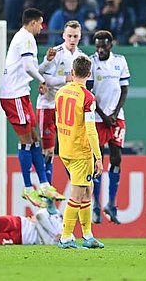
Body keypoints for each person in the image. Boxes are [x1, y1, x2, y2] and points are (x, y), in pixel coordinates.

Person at [0, 8, 63, 208]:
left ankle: (43, 184)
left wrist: (46, 63)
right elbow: (28, 68)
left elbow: (31, 67)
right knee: (27, 141)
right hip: (14, 95)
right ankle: (28, 188)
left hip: (20, 94)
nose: (42, 27)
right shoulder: (26, 38)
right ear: (33, 22)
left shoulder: (24, 38)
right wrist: (43, 81)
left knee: (35, 138)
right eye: (41, 23)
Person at [36, 20, 86, 212]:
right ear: (63, 36)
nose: (72, 39)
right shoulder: (55, 53)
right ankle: (48, 199)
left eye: (75, 36)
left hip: (69, 109)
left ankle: (75, 193)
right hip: (49, 105)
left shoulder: (82, 57)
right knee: (48, 152)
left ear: (80, 36)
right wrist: (64, 79)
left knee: (68, 152)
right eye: (69, 36)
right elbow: (43, 77)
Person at [56, 55, 104, 249]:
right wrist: (98, 157)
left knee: (87, 192)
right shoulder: (88, 97)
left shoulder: (61, 92)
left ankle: (87, 235)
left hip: (65, 148)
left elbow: (57, 119)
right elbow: (91, 130)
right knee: (77, 195)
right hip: (80, 152)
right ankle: (65, 237)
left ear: (72, 73)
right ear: (89, 74)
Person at [87, 30, 130, 224]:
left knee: (117, 158)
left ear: (111, 45)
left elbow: (124, 89)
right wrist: (104, 115)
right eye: (97, 46)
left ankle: (111, 204)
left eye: (103, 45)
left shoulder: (120, 61)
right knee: (98, 161)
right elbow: (88, 92)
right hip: (97, 118)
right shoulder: (90, 62)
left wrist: (114, 113)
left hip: (116, 118)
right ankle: (96, 205)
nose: (100, 49)